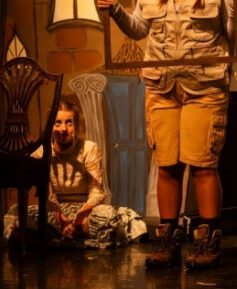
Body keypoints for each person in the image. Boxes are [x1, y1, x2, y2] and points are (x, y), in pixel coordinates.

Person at [96, 0, 237, 270]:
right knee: (166, 165)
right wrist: (114, 9)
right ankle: (167, 236)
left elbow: (235, 39)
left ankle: (208, 235)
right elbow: (139, 29)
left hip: (204, 87)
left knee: (202, 164)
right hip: (162, 87)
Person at [3, 100, 147, 249]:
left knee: (114, 216)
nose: (63, 129)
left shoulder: (88, 148)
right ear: (50, 126)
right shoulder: (41, 152)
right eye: (57, 123)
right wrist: (62, 221)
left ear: (76, 126)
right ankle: (62, 235)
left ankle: (56, 238)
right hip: (55, 210)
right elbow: (48, 195)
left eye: (69, 123)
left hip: (86, 209)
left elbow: (97, 190)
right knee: (18, 214)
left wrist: (82, 215)